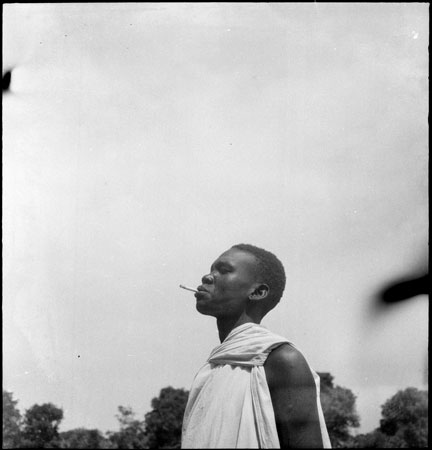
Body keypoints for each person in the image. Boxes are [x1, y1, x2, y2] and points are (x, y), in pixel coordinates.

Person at [181, 244, 331, 448]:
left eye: (224, 271)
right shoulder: (211, 370)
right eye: (211, 270)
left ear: (258, 292)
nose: (207, 277)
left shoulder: (282, 360)